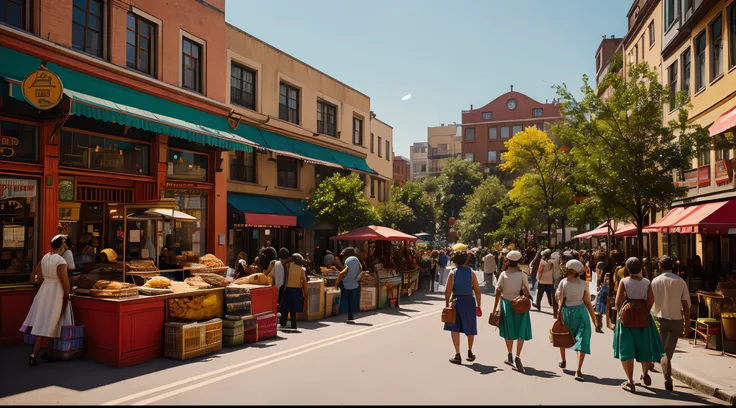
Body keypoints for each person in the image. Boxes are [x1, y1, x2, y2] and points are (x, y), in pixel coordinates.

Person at [613, 257, 664, 393]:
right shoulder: (647, 282)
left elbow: (618, 302)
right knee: (644, 346)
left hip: (627, 317)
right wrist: (644, 310)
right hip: (643, 316)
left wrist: (622, 310)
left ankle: (630, 381)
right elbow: (651, 300)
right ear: (640, 268)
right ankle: (645, 372)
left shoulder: (624, 281)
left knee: (626, 348)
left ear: (628, 269)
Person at [21, 235, 71, 366]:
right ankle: (36, 354)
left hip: (45, 289)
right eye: (64, 242)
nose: (66, 244)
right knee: (52, 320)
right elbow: (64, 281)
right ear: (61, 244)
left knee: (44, 319)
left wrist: (40, 282)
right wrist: (68, 293)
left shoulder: (45, 257)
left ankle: (45, 352)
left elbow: (36, 274)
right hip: (55, 290)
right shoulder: (60, 261)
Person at [651, 255, 691, 391]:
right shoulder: (680, 282)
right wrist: (688, 324)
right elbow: (686, 305)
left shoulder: (655, 281)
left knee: (663, 352)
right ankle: (667, 376)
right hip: (676, 321)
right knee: (668, 352)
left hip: (660, 319)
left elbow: (649, 302)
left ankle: (667, 376)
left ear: (660, 266)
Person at [556, 260, 599, 382]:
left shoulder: (563, 282)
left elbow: (559, 298)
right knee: (582, 339)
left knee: (563, 336)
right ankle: (578, 370)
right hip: (581, 313)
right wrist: (595, 320)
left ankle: (563, 361)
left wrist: (559, 312)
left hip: (566, 312)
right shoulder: (583, 284)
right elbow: (587, 302)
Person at [492, 250, 532, 373]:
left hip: (507, 304)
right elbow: (527, 291)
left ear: (507, 261)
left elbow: (498, 291)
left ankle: (509, 354)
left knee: (508, 330)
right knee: (521, 330)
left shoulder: (503, 274)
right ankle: (517, 356)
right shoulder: (522, 274)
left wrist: (495, 309)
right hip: (520, 304)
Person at [445, 250, 481, 364]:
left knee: (454, 327)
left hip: (456, 301)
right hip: (469, 301)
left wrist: (447, 304)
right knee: (470, 326)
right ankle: (470, 351)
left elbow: (447, 290)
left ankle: (457, 354)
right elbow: (477, 290)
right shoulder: (471, 273)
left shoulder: (453, 273)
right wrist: (478, 305)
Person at [279, 253, 309, 330]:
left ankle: (283, 322)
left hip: (288, 290)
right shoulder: (301, 270)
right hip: (297, 291)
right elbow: (304, 282)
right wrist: (306, 293)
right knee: (293, 309)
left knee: (285, 307)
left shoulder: (287, 266)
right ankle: (293, 324)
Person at [335, 247, 361, 321]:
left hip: (346, 283)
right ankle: (351, 314)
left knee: (345, 299)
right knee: (352, 300)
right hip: (355, 283)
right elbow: (360, 269)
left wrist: (336, 283)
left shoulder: (348, 260)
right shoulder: (357, 260)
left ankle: (344, 313)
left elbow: (343, 271)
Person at [534, 249, 556, 315]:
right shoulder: (553, 262)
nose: (542, 256)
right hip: (550, 281)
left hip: (543, 281)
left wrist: (538, 278)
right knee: (550, 294)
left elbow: (540, 271)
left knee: (540, 294)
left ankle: (538, 304)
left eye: (543, 255)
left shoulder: (542, 262)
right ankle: (552, 304)